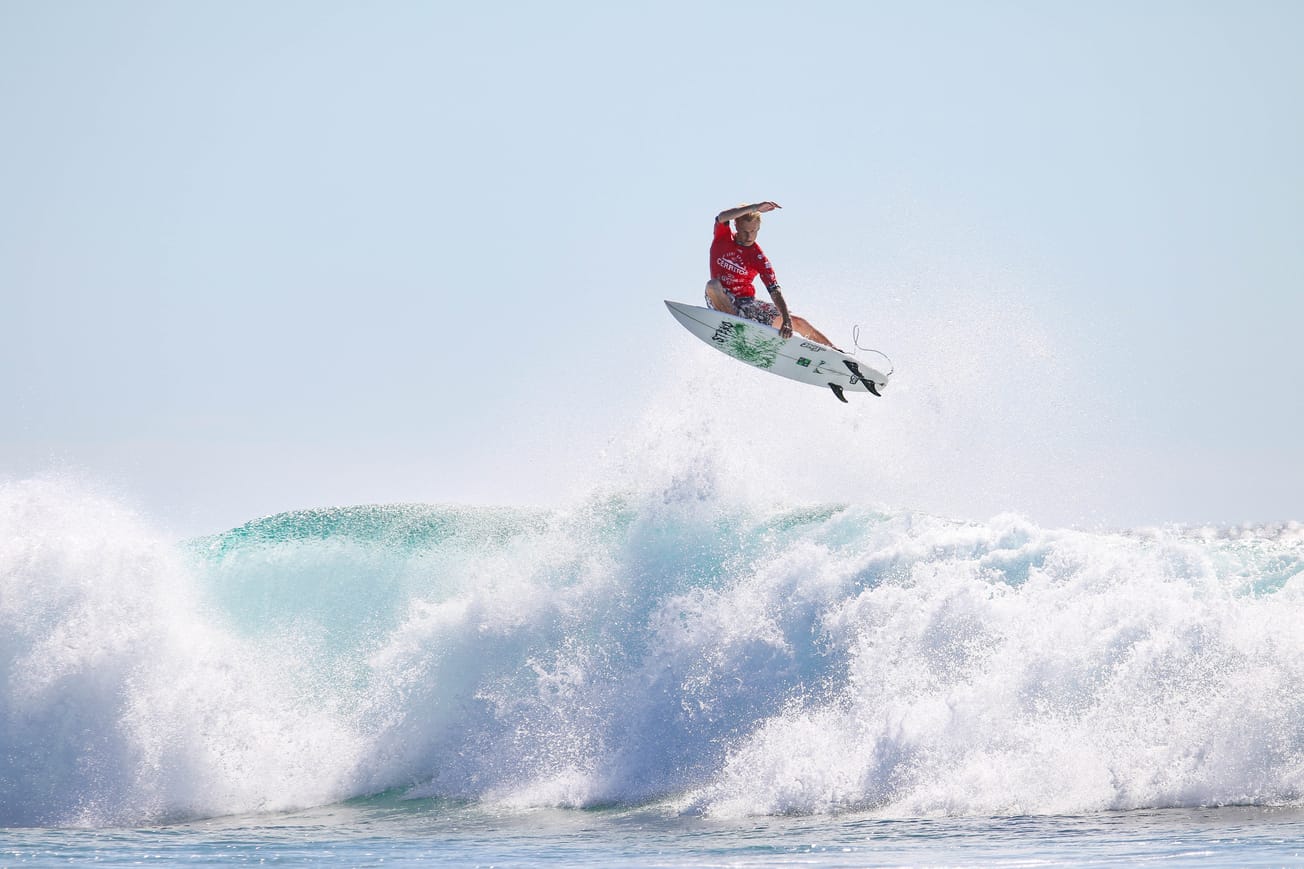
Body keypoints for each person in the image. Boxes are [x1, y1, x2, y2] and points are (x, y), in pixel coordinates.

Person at [706, 201, 835, 345]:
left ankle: (836, 352)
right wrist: (755, 207)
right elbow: (722, 217)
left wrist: (786, 319)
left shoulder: (758, 257)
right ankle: (737, 329)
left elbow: (774, 290)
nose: (749, 237)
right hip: (720, 301)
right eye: (745, 231)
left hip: (747, 304)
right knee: (712, 285)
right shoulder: (722, 238)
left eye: (754, 231)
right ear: (736, 225)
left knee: (797, 322)